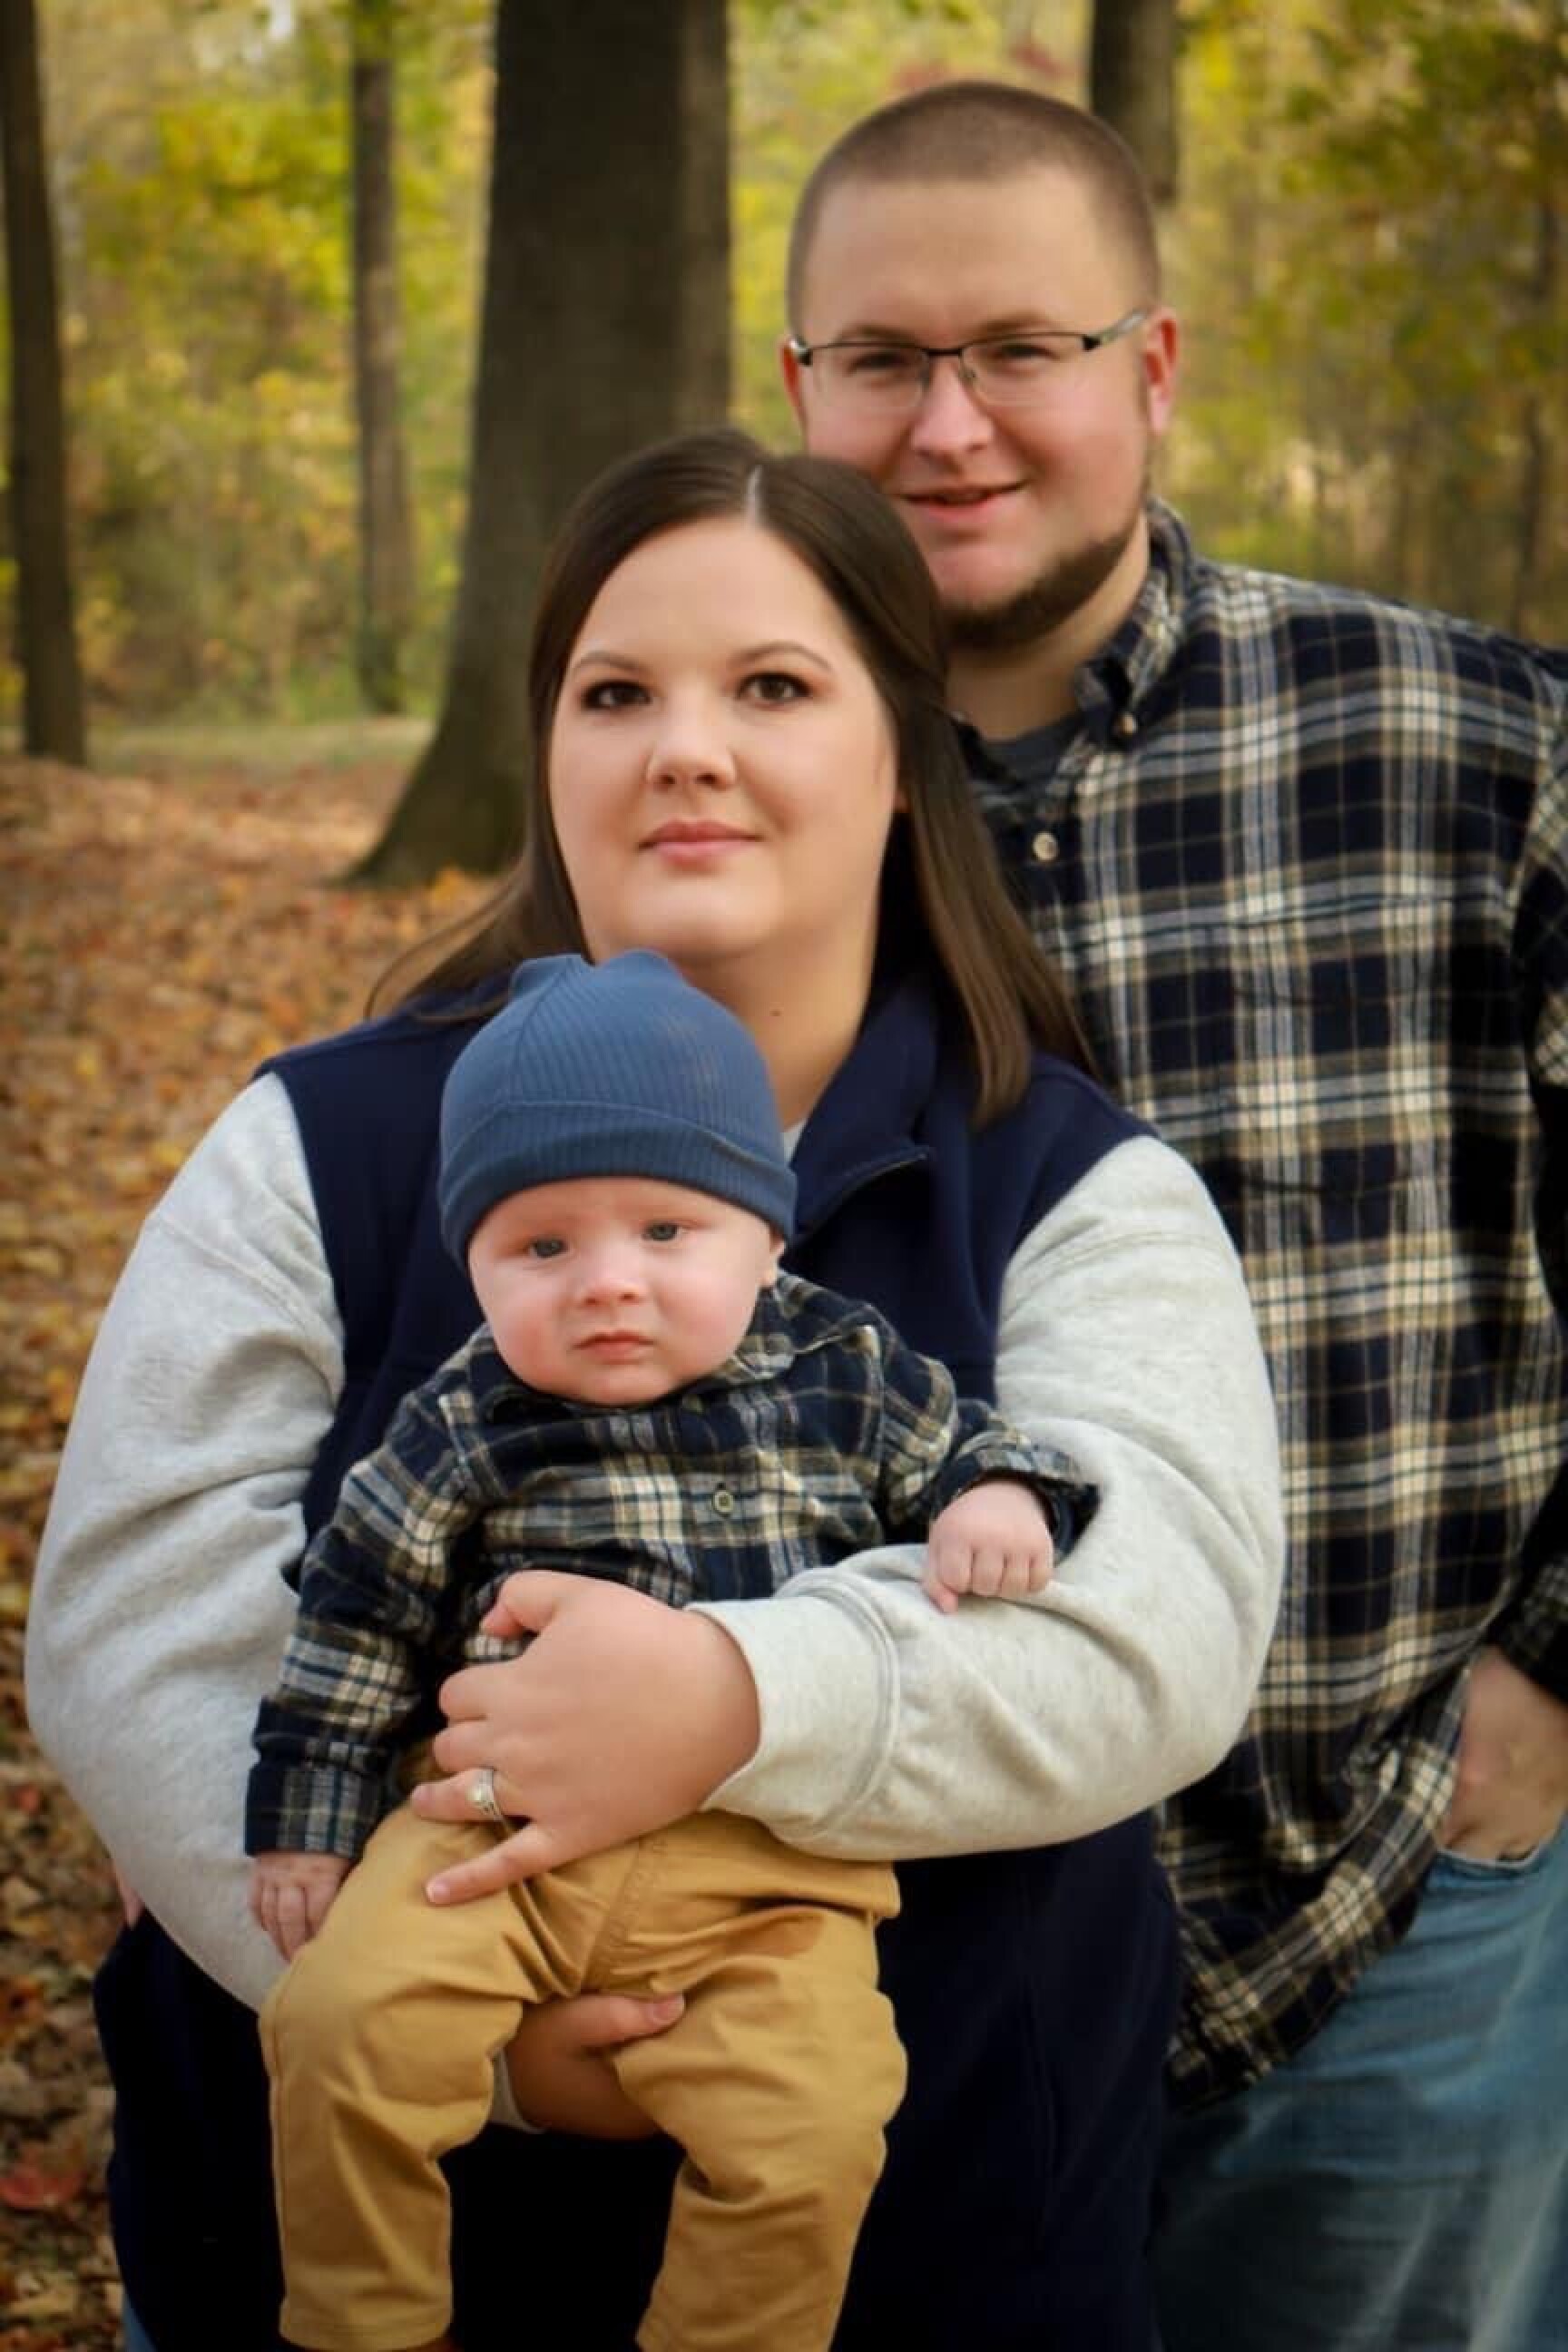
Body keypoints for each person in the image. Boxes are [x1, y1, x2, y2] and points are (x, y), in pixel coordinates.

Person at [25, 427, 1282, 2352]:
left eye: (772, 687)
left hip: (933, 2244)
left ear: (903, 750)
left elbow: (1157, 1626)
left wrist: (735, 1698)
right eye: (617, 694)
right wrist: (487, 2026)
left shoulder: (1070, 1184)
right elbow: (142, 1622)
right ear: (547, 752)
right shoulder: (323, 1141)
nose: (682, 747)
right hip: (346, 2229)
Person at [779, 77, 1568, 2352]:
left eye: (1022, 348)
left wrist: (1547, 1687)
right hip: (851, 1968)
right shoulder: (714, 784)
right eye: (887, 362)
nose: (952, 426)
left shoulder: (1471, 751)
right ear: (798, 387)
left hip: (1390, 1928)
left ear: (1152, 367)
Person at [250, 945, 1080, 2352]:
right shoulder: (462, 1421)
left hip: (768, 1876)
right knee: (339, 2025)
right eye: (543, 1246)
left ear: (768, 1237)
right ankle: (361, 2321)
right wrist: (307, 1828)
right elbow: (355, 1617)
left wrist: (999, 1498)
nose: (607, 1285)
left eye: (667, 1232)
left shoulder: (847, 1370)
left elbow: (977, 1447)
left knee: (816, 2123)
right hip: (485, 1845)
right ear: (475, 1268)